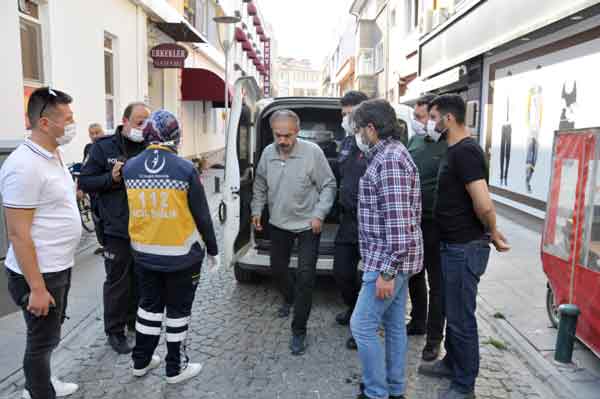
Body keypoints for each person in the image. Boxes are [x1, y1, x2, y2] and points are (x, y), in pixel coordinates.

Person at [418, 94, 510, 399]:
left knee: (461, 318)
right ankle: (451, 364)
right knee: (453, 310)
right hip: (451, 245)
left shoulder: (466, 151)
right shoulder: (454, 148)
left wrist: (493, 232)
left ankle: (464, 384)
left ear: (447, 119)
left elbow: (483, 203)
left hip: (464, 247)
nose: (429, 123)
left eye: (432, 117)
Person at [123, 110, 219, 384]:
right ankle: (174, 367)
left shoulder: (130, 167)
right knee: (178, 312)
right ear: (175, 136)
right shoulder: (185, 169)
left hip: (144, 254)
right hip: (181, 257)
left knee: (147, 308)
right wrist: (213, 250)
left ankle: (140, 361)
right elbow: (202, 215)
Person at [0, 87, 80, 399]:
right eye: (68, 119)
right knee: (41, 341)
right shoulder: (23, 166)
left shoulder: (52, 153)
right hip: (40, 274)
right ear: (45, 124)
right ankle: (37, 391)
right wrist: (36, 288)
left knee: (51, 333)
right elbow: (18, 234)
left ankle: (45, 380)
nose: (73, 124)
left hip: (59, 265)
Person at [350, 99, 423, 399]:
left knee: (362, 326)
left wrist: (387, 272)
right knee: (394, 326)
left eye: (358, 129)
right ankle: (394, 389)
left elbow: (398, 224)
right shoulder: (388, 155)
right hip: (391, 260)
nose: (356, 135)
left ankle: (376, 392)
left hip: (388, 262)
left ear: (371, 128)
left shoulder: (390, 160)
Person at [251, 109, 336, 356]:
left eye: (287, 136)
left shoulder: (313, 153)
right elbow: (259, 185)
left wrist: (320, 214)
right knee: (277, 269)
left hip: (309, 224)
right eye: (278, 135)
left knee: (306, 276)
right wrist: (257, 210)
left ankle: (299, 330)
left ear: (297, 133)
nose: (282, 141)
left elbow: (329, 185)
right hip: (279, 222)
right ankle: (289, 297)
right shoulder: (268, 153)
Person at [79, 102, 151, 354]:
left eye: (147, 123)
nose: (143, 127)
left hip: (144, 228)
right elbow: (86, 181)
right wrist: (111, 178)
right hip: (115, 228)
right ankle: (115, 331)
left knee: (140, 279)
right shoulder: (103, 147)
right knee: (117, 282)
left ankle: (134, 322)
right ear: (125, 120)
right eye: (139, 122)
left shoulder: (149, 146)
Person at [406, 94, 447, 362]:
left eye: (425, 118)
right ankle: (417, 320)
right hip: (415, 221)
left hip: (438, 224)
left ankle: (433, 339)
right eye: (418, 118)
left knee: (438, 283)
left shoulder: (450, 146)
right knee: (414, 275)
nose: (421, 123)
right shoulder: (415, 141)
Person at [334, 91, 369, 351]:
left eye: (351, 114)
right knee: (342, 272)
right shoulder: (346, 142)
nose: (347, 119)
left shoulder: (373, 142)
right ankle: (353, 307)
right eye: (344, 114)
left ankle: (363, 326)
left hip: (370, 222)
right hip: (348, 220)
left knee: (370, 278)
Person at [81, 123, 105, 255]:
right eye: (92, 133)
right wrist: (81, 188)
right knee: (96, 219)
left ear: (103, 132)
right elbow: (84, 169)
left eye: (98, 132)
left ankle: (109, 245)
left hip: (104, 190)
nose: (95, 136)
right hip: (93, 191)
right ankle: (102, 243)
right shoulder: (88, 148)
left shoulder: (108, 147)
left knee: (106, 218)